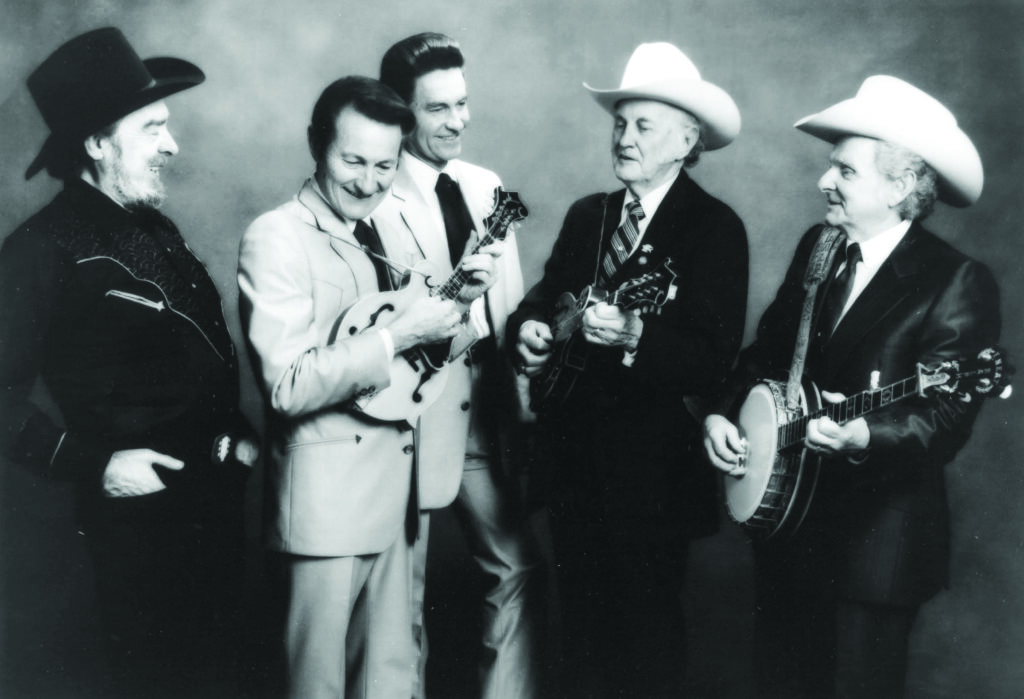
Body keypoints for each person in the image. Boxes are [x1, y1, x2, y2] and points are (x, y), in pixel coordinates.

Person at [703, 76, 1002, 698]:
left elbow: (945, 417)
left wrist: (867, 432)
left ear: (900, 187)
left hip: (873, 550)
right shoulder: (821, 246)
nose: (824, 181)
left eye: (845, 169)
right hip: (790, 531)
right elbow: (766, 353)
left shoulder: (954, 280)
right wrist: (722, 414)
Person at [0, 27, 256, 698]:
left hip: (220, 514)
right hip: (139, 534)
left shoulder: (155, 227)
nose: (172, 145)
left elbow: (199, 355)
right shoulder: (42, 248)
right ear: (95, 142)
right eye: (153, 128)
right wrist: (95, 465)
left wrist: (242, 440)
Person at [508, 42, 748, 697]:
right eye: (620, 123)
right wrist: (528, 330)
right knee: (579, 636)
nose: (624, 137)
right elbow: (544, 295)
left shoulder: (714, 229)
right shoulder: (592, 214)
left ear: (686, 138)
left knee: (646, 639)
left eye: (643, 125)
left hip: (652, 479)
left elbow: (712, 359)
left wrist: (637, 332)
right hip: (572, 463)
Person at [237, 75, 469, 699]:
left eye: (385, 166)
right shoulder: (276, 236)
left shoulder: (391, 229)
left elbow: (424, 355)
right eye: (353, 161)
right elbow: (286, 384)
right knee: (317, 688)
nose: (369, 182)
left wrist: (455, 312)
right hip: (324, 510)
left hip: (396, 501)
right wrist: (396, 338)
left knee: (391, 683)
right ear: (317, 146)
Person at [376, 32, 545, 699]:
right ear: (400, 112)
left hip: (487, 404)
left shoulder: (485, 186)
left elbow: (513, 304)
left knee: (517, 566)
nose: (458, 121)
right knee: (400, 592)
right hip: (411, 415)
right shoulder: (373, 196)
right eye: (438, 108)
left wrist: (524, 390)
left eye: (463, 103)